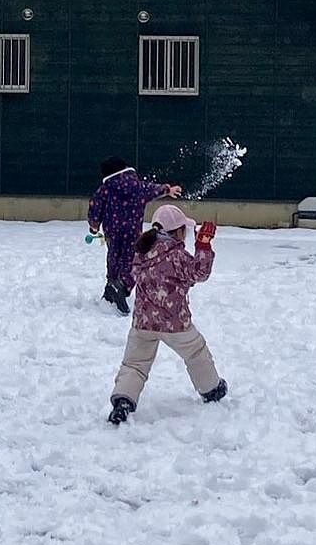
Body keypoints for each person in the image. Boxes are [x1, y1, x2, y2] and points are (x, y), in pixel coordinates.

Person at [107, 204, 227, 424]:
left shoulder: (141, 251)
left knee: (134, 364)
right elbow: (199, 273)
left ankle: (123, 401)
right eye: (185, 230)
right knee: (196, 353)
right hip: (175, 323)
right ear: (178, 231)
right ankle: (211, 389)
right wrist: (203, 245)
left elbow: (135, 273)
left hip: (143, 323)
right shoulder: (177, 255)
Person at [87, 156, 180, 315]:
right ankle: (123, 286)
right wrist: (167, 189)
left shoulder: (105, 189)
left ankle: (112, 283)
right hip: (132, 231)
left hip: (113, 231)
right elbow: (151, 189)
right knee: (130, 259)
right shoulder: (137, 186)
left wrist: (94, 226)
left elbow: (95, 208)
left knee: (114, 255)